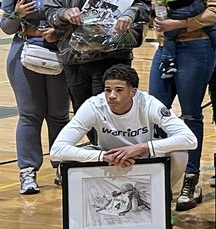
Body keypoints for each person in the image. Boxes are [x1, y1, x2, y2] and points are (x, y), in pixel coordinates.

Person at [145, 0, 216, 210]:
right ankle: (160, 173)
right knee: (155, 111)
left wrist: (180, 25)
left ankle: (192, 177)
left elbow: (215, 12)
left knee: (190, 113)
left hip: (197, 48)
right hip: (165, 49)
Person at [50, 63, 197, 193]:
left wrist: (141, 147)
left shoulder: (149, 103)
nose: (111, 96)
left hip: (143, 157)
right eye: (108, 90)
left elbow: (189, 139)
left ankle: (163, 194)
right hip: (107, 158)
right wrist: (103, 156)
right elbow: (57, 150)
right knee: (67, 162)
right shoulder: (94, 105)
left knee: (179, 153)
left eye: (119, 90)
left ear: (133, 91)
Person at [2, 0, 70, 194]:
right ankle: (27, 171)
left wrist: (57, 29)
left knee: (59, 115)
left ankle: (62, 165)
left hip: (58, 55)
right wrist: (17, 14)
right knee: (29, 115)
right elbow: (7, 28)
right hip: (24, 56)